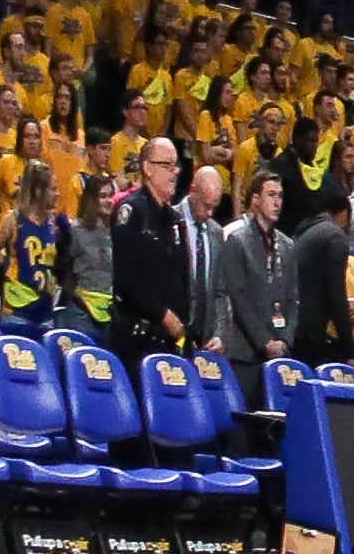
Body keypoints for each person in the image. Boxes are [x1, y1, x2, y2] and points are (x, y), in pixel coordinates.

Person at [204, 169, 293, 404]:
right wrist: (265, 341)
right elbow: (238, 297)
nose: (277, 202)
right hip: (246, 353)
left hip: (280, 353)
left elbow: (294, 299)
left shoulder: (287, 245)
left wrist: (284, 340)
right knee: (245, 426)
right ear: (255, 199)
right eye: (271, 195)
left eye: (280, 196)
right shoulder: (238, 241)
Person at [103, 134, 195, 358]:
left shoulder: (175, 219)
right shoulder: (132, 212)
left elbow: (183, 278)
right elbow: (125, 279)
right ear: (148, 168)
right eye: (167, 165)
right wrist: (163, 314)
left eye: (176, 165)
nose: (175, 172)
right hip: (137, 342)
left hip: (171, 341)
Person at [285, 180, 354, 377]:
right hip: (311, 334)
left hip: (291, 327)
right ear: (344, 212)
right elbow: (336, 294)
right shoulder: (334, 236)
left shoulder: (304, 230)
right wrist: (349, 348)